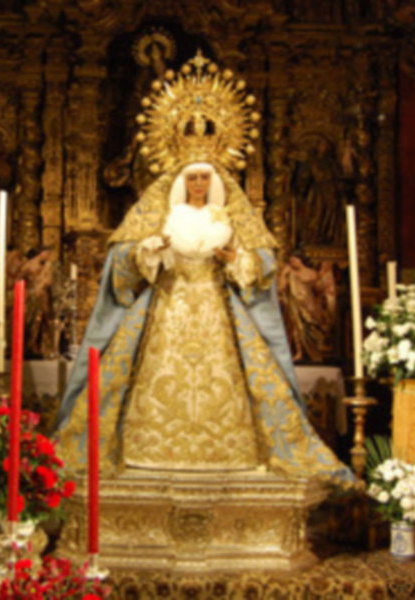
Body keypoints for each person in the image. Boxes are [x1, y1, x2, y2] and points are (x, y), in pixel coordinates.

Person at [55, 161, 354, 485]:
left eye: (204, 178)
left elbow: (263, 265)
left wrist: (236, 259)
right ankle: (147, 451)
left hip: (217, 306)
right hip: (167, 303)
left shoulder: (227, 215)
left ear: (214, 181)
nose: (198, 183)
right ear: (182, 181)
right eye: (192, 177)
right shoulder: (166, 214)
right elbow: (127, 259)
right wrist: (152, 250)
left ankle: (231, 453)